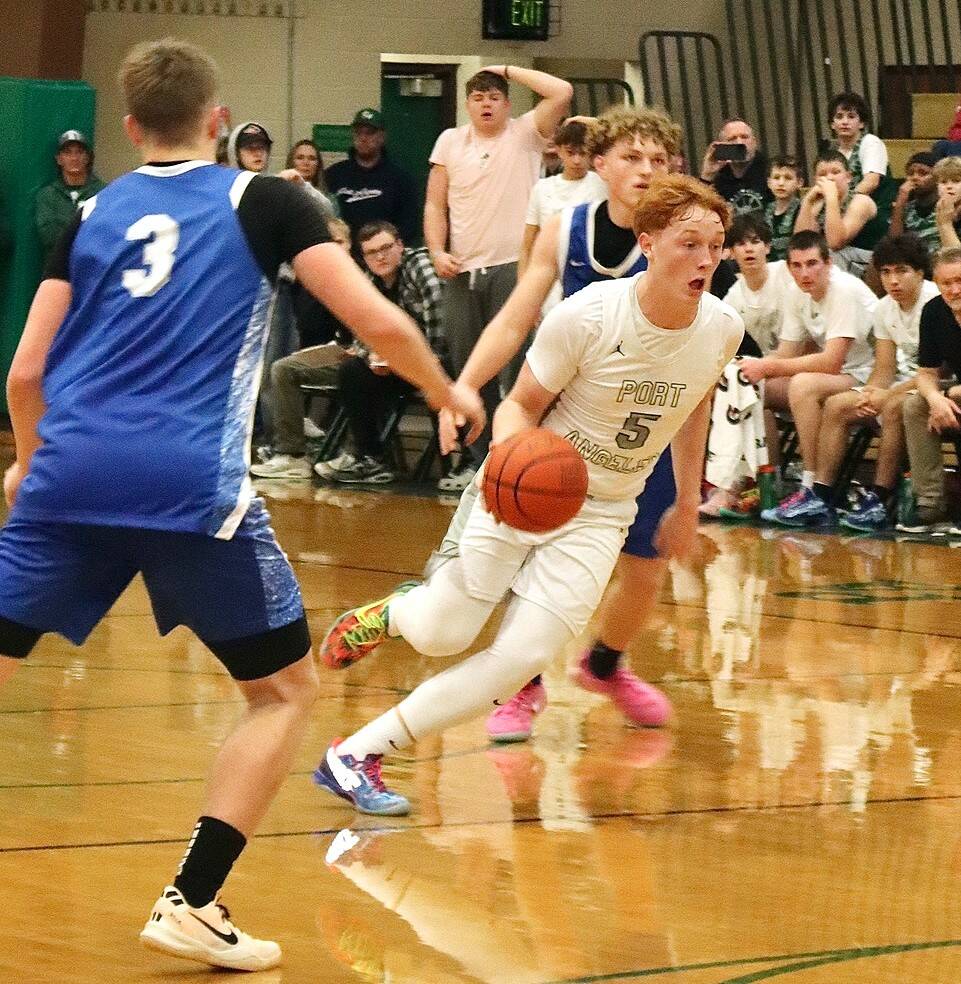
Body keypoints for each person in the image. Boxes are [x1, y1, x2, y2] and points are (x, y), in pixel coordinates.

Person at [0, 38, 482, 972]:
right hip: (189, 482)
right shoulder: (265, 198)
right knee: (283, 691)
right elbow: (373, 319)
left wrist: (27, 460)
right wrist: (445, 388)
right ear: (218, 121)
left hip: (69, 474)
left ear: (131, 127)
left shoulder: (91, 210)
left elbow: (26, 367)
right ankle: (191, 899)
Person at [312, 174, 743, 817]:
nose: (706, 260)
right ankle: (396, 613)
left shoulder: (722, 328)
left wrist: (685, 503)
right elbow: (518, 406)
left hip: (603, 512)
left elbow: (694, 405)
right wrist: (521, 465)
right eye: (689, 243)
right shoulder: (588, 317)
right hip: (526, 485)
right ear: (647, 243)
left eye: (715, 245)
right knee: (441, 633)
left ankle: (356, 754)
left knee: (521, 658)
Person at [426, 105, 684, 742]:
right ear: (600, 164)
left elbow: (696, 364)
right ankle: (522, 684)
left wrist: (691, 488)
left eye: (658, 160)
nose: (646, 171)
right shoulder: (565, 229)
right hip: (567, 416)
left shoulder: (685, 238)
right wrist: (464, 388)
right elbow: (516, 318)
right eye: (632, 157)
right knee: (528, 549)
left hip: (643, 423)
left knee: (646, 566)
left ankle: (604, 665)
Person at [424, 65, 573, 491]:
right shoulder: (450, 141)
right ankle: (479, 463)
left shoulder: (526, 132)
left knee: (516, 370)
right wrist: (436, 250)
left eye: (494, 97)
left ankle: (517, 461)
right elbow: (435, 205)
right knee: (470, 368)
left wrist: (506, 68)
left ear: (508, 104)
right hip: (462, 269)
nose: (486, 104)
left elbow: (561, 90)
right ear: (467, 105)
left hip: (515, 267)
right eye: (478, 97)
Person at [739, 231, 877, 526]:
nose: (805, 272)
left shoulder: (844, 291)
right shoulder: (795, 293)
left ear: (828, 263)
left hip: (868, 376)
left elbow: (831, 362)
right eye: (797, 265)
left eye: (812, 263)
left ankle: (811, 487)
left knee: (803, 384)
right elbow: (786, 352)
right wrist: (751, 366)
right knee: (753, 389)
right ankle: (768, 484)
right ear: (788, 267)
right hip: (838, 376)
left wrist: (769, 367)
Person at [815, 235, 939, 531]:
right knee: (838, 404)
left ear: (920, 272)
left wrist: (887, 395)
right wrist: (870, 392)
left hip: (931, 387)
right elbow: (884, 366)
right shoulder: (884, 308)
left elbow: (938, 373)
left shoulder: (935, 303)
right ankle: (820, 495)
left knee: (895, 406)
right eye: (886, 272)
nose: (893, 280)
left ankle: (879, 499)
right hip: (900, 383)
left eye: (901, 271)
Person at [316, 220, 447, 485]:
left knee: (444, 370)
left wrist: (421, 361)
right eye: (372, 253)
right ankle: (370, 458)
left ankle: (459, 462)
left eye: (386, 247)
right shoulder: (367, 279)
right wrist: (372, 356)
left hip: (434, 360)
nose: (380, 256)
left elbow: (440, 323)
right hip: (398, 365)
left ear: (400, 246)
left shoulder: (420, 266)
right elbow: (361, 331)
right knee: (353, 371)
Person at [699, 213, 793, 517]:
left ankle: (728, 485)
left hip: (803, 367)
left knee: (739, 380)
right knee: (733, 382)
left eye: (755, 242)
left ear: (768, 246)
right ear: (730, 252)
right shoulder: (735, 294)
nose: (749, 249)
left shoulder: (787, 275)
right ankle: (766, 485)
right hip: (769, 373)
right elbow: (716, 343)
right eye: (740, 243)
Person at [249, 218, 355, 480]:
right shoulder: (312, 280)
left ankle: (335, 443)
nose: (334, 248)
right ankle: (291, 454)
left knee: (352, 369)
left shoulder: (361, 276)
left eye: (339, 242)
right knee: (281, 367)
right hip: (334, 346)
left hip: (362, 352)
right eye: (327, 243)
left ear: (350, 244)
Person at [898, 247, 961, 531]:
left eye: (960, 281)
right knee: (915, 404)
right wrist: (935, 398)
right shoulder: (934, 311)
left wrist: (947, 396)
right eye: (946, 283)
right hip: (956, 391)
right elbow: (925, 373)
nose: (954, 289)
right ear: (936, 283)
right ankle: (930, 505)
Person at [520, 118, 606, 285]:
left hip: (591, 272)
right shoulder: (542, 189)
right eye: (570, 152)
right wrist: (523, 286)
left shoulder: (603, 183)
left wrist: (586, 121)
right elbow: (527, 246)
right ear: (558, 150)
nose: (577, 160)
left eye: (583, 153)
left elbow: (616, 136)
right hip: (549, 274)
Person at [325, 108, 419, 245]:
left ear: (382, 137)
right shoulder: (333, 175)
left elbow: (409, 226)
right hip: (342, 256)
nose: (363, 138)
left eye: (370, 133)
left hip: (384, 257)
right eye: (358, 133)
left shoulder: (401, 179)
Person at [794, 150, 880, 279]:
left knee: (831, 254)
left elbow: (835, 243)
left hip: (870, 264)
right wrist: (807, 201)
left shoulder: (861, 201)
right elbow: (801, 243)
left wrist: (831, 198)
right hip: (839, 263)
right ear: (815, 180)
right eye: (822, 174)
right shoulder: (817, 203)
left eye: (836, 172)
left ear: (848, 177)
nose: (829, 178)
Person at [35, 130, 106, 261]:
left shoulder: (103, 192)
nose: (74, 158)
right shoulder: (47, 195)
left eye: (79, 152)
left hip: (92, 266)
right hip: (58, 271)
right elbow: (50, 237)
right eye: (68, 152)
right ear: (59, 159)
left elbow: (103, 232)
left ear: (87, 157)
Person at [699, 117, 771, 215]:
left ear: (754, 142)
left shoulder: (770, 172)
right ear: (723, 146)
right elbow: (699, 212)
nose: (739, 143)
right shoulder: (718, 179)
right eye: (732, 139)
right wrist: (707, 175)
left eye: (744, 137)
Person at [889, 151, 940, 254]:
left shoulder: (946, 205)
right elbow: (894, 242)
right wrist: (900, 202)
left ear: (938, 178)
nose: (915, 177)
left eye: (923, 173)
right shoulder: (906, 207)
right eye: (910, 173)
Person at [763, 155, 803, 261]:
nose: (781, 183)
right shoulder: (763, 211)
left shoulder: (802, 210)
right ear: (769, 182)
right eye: (776, 177)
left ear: (799, 183)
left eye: (788, 178)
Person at [934, 156, 961, 250]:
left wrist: (945, 224)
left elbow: (957, 259)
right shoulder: (939, 208)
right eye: (943, 182)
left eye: (956, 181)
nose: (949, 186)